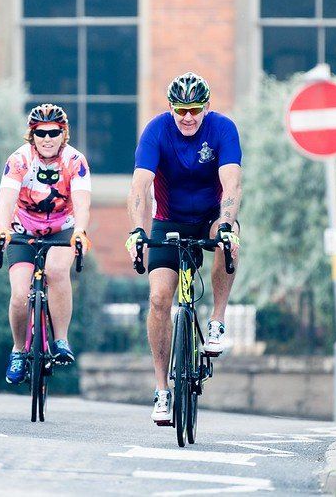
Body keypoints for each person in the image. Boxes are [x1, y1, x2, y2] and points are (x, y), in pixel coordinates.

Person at [125, 72, 242, 424]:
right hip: (169, 220)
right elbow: (140, 187)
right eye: (181, 110)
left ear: (206, 107)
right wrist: (137, 231)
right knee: (160, 298)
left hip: (210, 215)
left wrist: (225, 223)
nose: (188, 117)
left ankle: (217, 320)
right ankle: (162, 389)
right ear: (171, 108)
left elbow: (232, 183)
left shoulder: (222, 129)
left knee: (228, 238)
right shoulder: (156, 131)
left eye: (194, 109)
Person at [0, 104, 92, 385]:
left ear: (63, 134)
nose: (47, 138)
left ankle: (60, 340)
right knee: (20, 295)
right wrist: (1, 229)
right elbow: (5, 201)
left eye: (53, 132)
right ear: (31, 135)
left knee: (57, 272)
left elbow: (82, 203)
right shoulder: (19, 160)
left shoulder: (75, 161)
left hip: (62, 228)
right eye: (40, 133)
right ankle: (18, 350)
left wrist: (80, 231)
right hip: (23, 229)